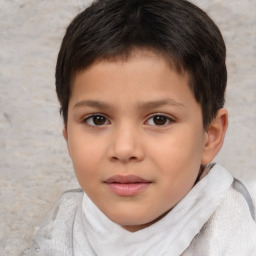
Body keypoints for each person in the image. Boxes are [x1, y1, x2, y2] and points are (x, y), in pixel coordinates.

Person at [24, 0, 256, 255]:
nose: (124, 149)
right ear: (67, 135)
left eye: (159, 119)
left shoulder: (239, 235)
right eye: (97, 119)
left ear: (210, 137)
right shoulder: (60, 227)